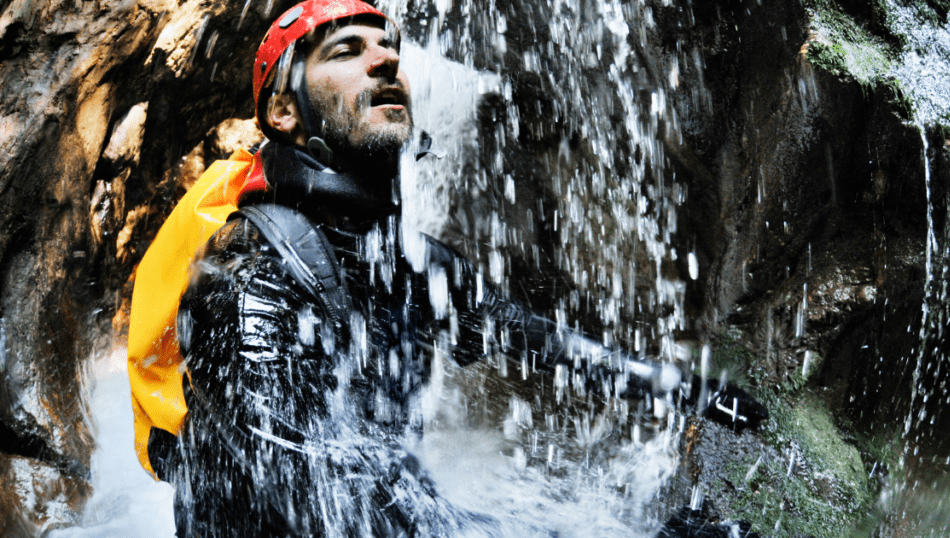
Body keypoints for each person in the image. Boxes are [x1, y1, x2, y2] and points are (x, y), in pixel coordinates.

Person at [150, 1, 768, 536]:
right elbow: (302, 491)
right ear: (284, 113)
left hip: (388, 507)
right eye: (347, 51)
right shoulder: (249, 274)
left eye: (389, 48)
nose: (386, 61)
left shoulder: (401, 257)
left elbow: (533, 339)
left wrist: (678, 387)